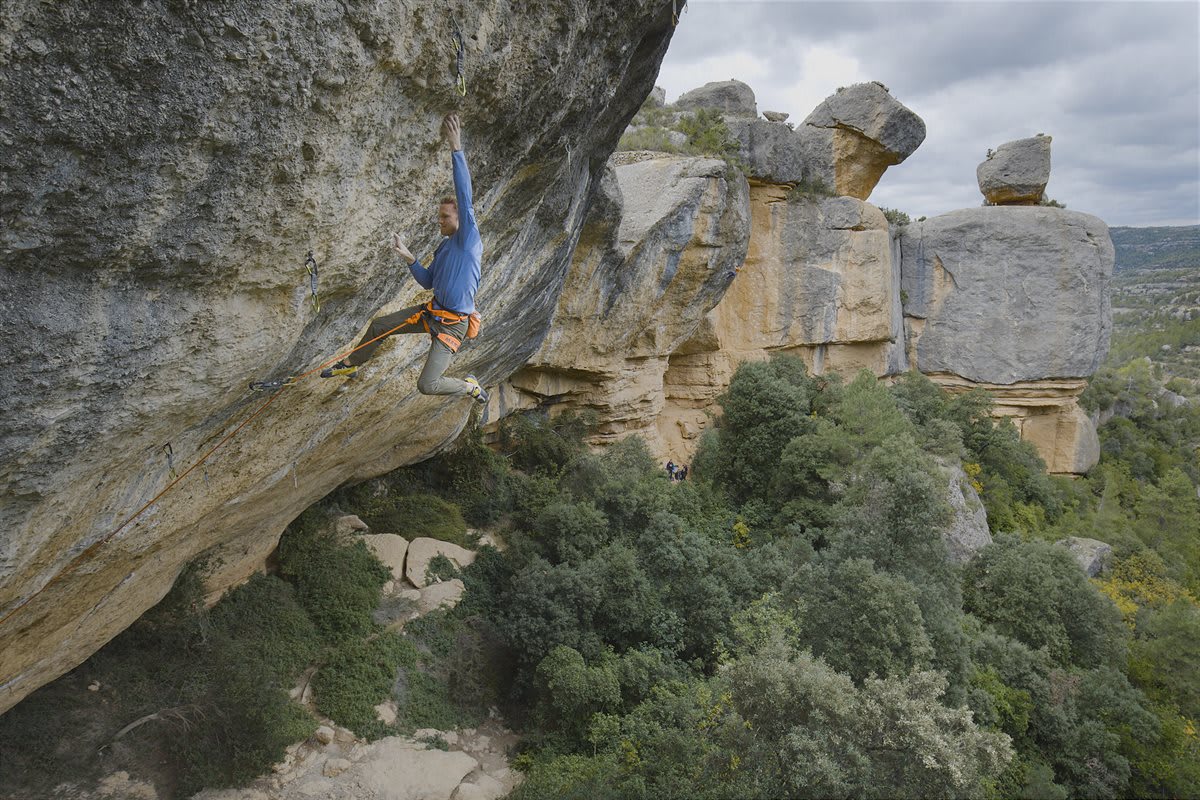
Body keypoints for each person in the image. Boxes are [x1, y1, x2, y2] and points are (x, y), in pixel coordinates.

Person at [321, 113, 487, 405]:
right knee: (380, 325)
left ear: (461, 218)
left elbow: (464, 194)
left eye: (444, 217)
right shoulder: (446, 247)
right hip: (433, 312)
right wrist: (410, 257)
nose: (440, 221)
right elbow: (427, 281)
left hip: (453, 325)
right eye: (439, 217)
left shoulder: (468, 239)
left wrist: (456, 147)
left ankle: (469, 387)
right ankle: (351, 366)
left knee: (428, 384)